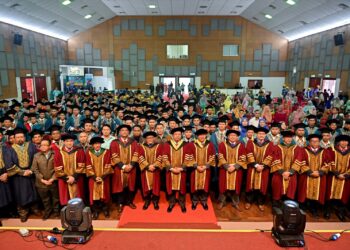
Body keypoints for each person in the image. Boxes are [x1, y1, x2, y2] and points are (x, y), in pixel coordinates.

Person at [7, 128, 39, 222]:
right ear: (14, 138)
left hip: (31, 173)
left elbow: (36, 158)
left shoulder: (31, 146)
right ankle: (23, 212)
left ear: (24, 137)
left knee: (34, 192)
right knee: (20, 194)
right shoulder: (10, 149)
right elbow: (9, 163)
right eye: (18, 137)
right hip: (18, 176)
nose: (20, 139)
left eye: (21, 137)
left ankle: (34, 209)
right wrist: (22, 172)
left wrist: (31, 170)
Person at [297, 134, 329, 218]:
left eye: (317, 141)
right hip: (307, 175)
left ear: (319, 142)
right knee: (304, 191)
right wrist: (310, 172)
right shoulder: (304, 150)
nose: (315, 143)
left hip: (319, 176)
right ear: (309, 142)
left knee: (317, 192)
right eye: (313, 141)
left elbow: (327, 163)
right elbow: (301, 162)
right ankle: (303, 207)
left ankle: (314, 209)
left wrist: (320, 172)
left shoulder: (324, 151)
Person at [110, 124, 139, 212]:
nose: (124, 132)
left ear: (129, 132)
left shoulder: (133, 142)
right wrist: (123, 166)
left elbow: (136, 154)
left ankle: (129, 201)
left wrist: (131, 165)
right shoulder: (114, 142)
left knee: (130, 185)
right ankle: (120, 203)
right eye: (122, 130)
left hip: (131, 168)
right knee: (120, 186)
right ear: (119, 132)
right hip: (119, 168)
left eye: (126, 130)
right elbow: (114, 155)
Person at [245, 127, 275, 212]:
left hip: (264, 169)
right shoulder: (251, 142)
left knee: (262, 185)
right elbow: (248, 154)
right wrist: (256, 165)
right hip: (252, 167)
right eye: (259, 134)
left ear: (265, 135)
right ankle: (249, 201)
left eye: (263, 134)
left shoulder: (270, 144)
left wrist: (263, 166)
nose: (261, 135)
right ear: (256, 135)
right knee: (250, 184)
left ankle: (261, 203)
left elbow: (270, 156)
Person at [271, 130, 303, 207]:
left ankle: (287, 206)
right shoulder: (277, 147)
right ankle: (276, 205)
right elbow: (275, 159)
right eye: (287, 137)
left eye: (290, 137)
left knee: (291, 189)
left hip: (291, 173)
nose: (289, 139)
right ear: (283, 138)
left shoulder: (297, 148)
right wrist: (282, 172)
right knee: (277, 188)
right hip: (279, 173)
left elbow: (298, 160)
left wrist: (290, 172)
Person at [185, 129, 216, 210]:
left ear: (206, 135)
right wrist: (196, 166)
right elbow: (189, 156)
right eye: (200, 135)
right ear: (197, 136)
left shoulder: (210, 144)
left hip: (206, 169)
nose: (202, 136)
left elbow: (212, 156)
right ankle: (194, 201)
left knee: (205, 185)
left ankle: (204, 200)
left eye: (203, 135)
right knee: (194, 185)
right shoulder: (192, 144)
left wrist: (206, 166)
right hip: (195, 170)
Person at [217, 130, 246, 210]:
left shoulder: (241, 145)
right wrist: (227, 166)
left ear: (237, 137)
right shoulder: (222, 145)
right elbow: (220, 156)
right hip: (224, 169)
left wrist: (235, 166)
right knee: (223, 185)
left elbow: (243, 157)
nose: (233, 137)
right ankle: (222, 202)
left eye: (234, 135)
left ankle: (235, 203)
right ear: (228, 136)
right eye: (231, 135)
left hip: (237, 170)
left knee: (236, 186)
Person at [54, 133, 86, 206]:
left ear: (73, 142)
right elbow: (57, 168)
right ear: (64, 142)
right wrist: (67, 178)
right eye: (67, 141)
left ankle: (78, 212)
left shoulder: (79, 151)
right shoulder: (59, 152)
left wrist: (74, 177)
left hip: (77, 178)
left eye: (71, 141)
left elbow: (82, 166)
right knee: (65, 198)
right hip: (64, 180)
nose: (69, 143)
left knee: (78, 196)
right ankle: (67, 213)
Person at [31, 138, 59, 220]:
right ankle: (48, 211)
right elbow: (34, 169)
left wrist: (52, 179)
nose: (42, 147)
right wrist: (42, 179)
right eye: (41, 145)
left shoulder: (56, 154)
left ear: (50, 146)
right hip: (41, 183)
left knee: (55, 198)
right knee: (45, 199)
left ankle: (56, 212)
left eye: (45, 145)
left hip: (53, 181)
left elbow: (58, 168)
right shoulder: (36, 156)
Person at [85, 137, 113, 219]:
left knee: (105, 193)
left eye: (98, 143)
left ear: (101, 144)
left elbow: (108, 165)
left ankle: (105, 209)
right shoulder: (89, 152)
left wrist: (102, 177)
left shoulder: (106, 152)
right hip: (92, 178)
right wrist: (94, 177)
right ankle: (95, 211)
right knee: (94, 194)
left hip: (104, 178)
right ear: (92, 145)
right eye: (95, 144)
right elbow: (88, 165)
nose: (97, 145)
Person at [162, 127, 188, 213]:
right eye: (175, 134)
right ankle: (171, 202)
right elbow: (164, 157)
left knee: (182, 187)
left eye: (179, 134)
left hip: (181, 171)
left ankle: (182, 202)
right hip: (171, 170)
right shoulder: (167, 144)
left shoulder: (185, 144)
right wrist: (171, 168)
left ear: (181, 135)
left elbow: (188, 157)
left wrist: (182, 168)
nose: (177, 136)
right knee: (171, 187)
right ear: (172, 135)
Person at [326, 135, 350, 221]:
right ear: (338, 142)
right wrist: (336, 173)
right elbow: (329, 161)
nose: (344, 143)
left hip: (346, 178)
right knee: (330, 193)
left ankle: (340, 211)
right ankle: (327, 210)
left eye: (346, 141)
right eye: (342, 141)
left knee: (343, 194)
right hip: (333, 176)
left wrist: (346, 174)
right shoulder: (331, 150)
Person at [137, 131, 163, 210]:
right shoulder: (141, 146)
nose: (150, 139)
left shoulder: (159, 146)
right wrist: (148, 166)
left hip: (155, 170)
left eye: (151, 137)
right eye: (148, 138)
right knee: (146, 185)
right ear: (145, 139)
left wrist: (154, 165)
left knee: (156, 185)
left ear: (154, 138)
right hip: (145, 169)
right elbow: (140, 157)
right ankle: (147, 200)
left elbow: (161, 156)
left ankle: (155, 201)